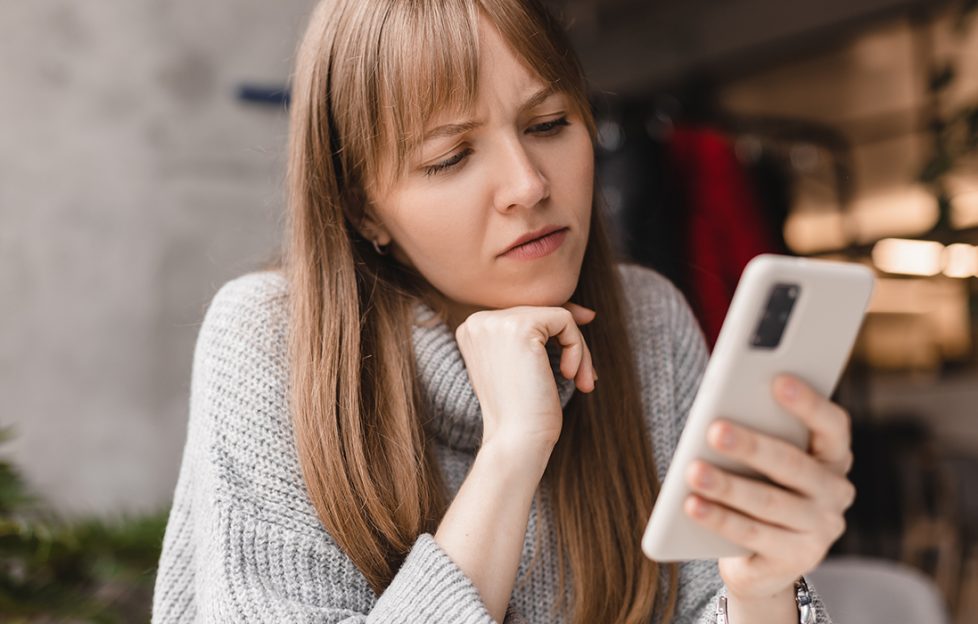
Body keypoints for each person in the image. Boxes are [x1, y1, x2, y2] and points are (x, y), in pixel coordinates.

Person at [151, 1, 855, 622]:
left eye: (549, 122)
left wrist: (763, 588)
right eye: (451, 157)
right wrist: (511, 451)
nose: (528, 184)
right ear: (364, 210)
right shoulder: (274, 339)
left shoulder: (646, 320)